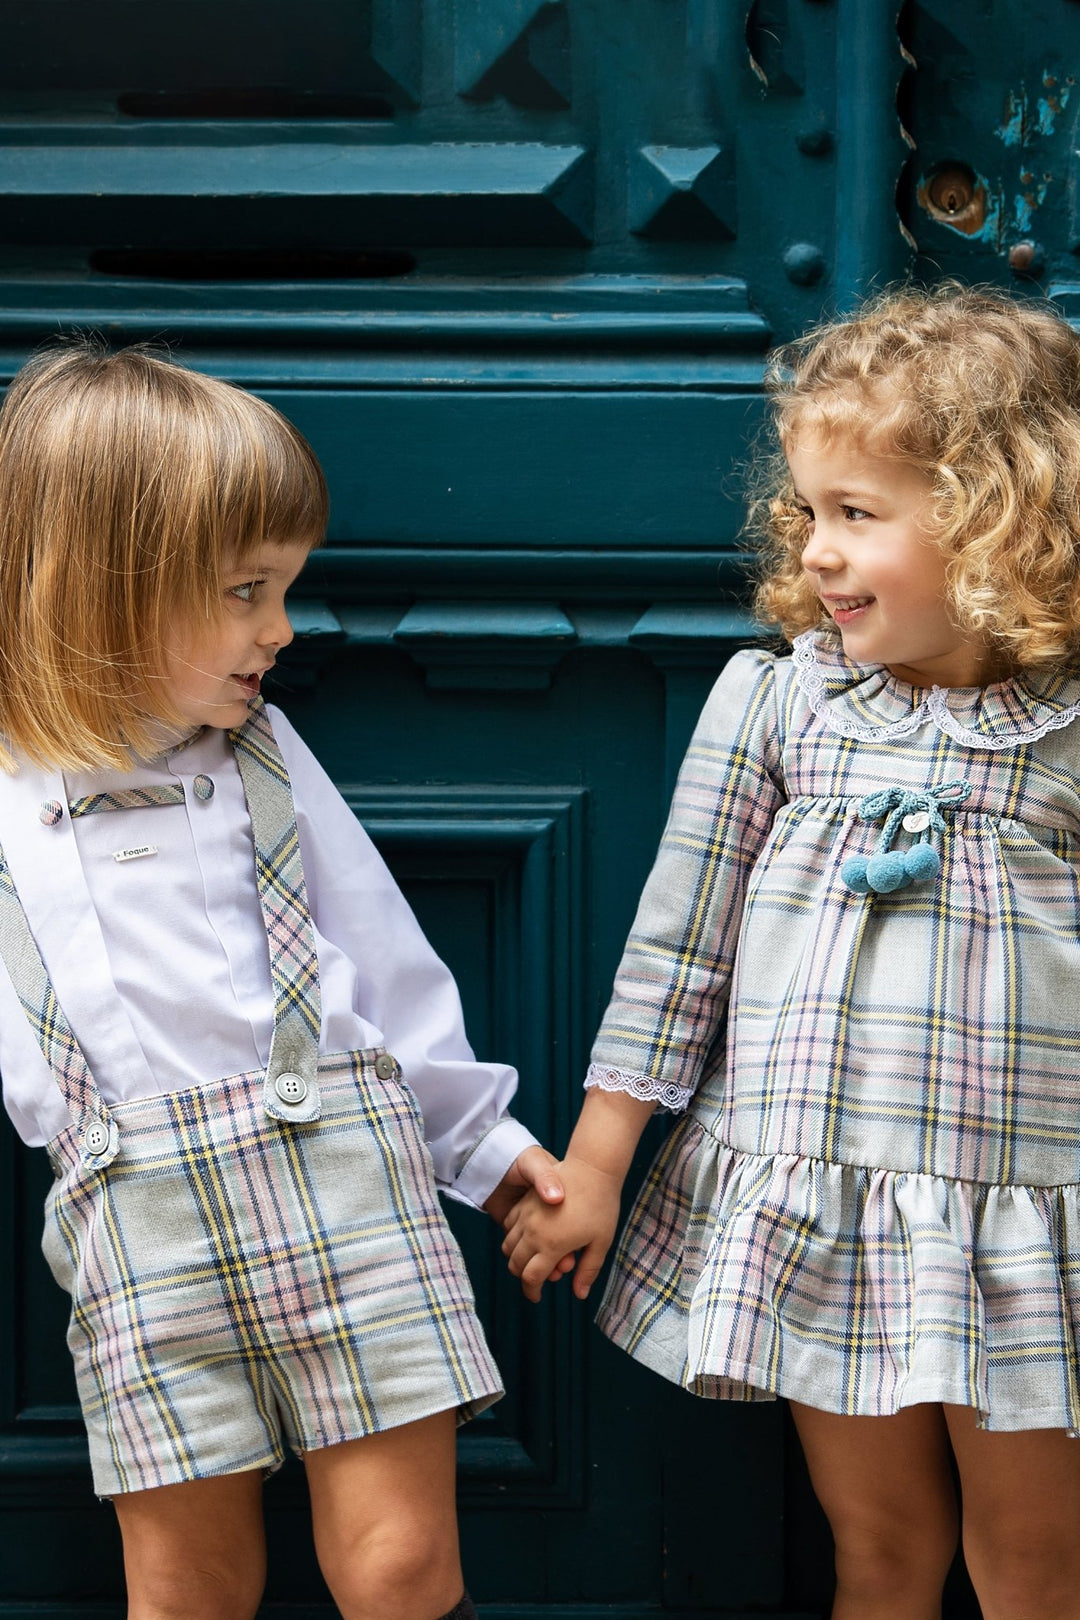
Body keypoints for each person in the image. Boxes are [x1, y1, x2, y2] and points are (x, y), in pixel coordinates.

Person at [502, 284, 1080, 1619]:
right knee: (875, 1544)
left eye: (858, 514)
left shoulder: (1063, 733)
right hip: (824, 1206)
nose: (817, 550)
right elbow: (676, 953)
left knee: (1035, 1561)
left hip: (1023, 1216)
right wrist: (597, 1168)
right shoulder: (777, 704)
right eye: (809, 511)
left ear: (998, 518)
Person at [0, 340, 567, 1620]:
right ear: (103, 589)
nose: (283, 628)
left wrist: (485, 1150)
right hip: (134, 1222)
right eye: (246, 591)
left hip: (344, 1180)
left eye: (285, 589)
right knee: (184, 1584)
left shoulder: (260, 756)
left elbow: (385, 963)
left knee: (399, 1563)